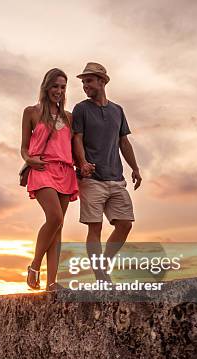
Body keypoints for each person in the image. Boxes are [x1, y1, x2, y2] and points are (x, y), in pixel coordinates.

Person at [72, 62, 142, 281]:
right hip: (91, 178)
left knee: (125, 225)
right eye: (83, 82)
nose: (85, 85)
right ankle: (101, 276)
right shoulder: (81, 109)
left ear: (102, 82)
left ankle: (104, 265)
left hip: (116, 178)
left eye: (89, 81)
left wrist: (135, 168)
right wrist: (82, 163)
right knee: (95, 228)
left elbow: (124, 142)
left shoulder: (117, 110)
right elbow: (77, 139)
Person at [21, 68, 79, 292]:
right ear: (46, 87)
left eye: (63, 87)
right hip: (43, 168)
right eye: (55, 86)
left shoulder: (69, 117)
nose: (59, 91)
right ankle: (35, 266)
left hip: (65, 171)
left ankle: (52, 283)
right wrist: (29, 160)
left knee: (59, 227)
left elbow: (74, 147)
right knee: (54, 217)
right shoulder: (31, 112)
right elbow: (24, 148)